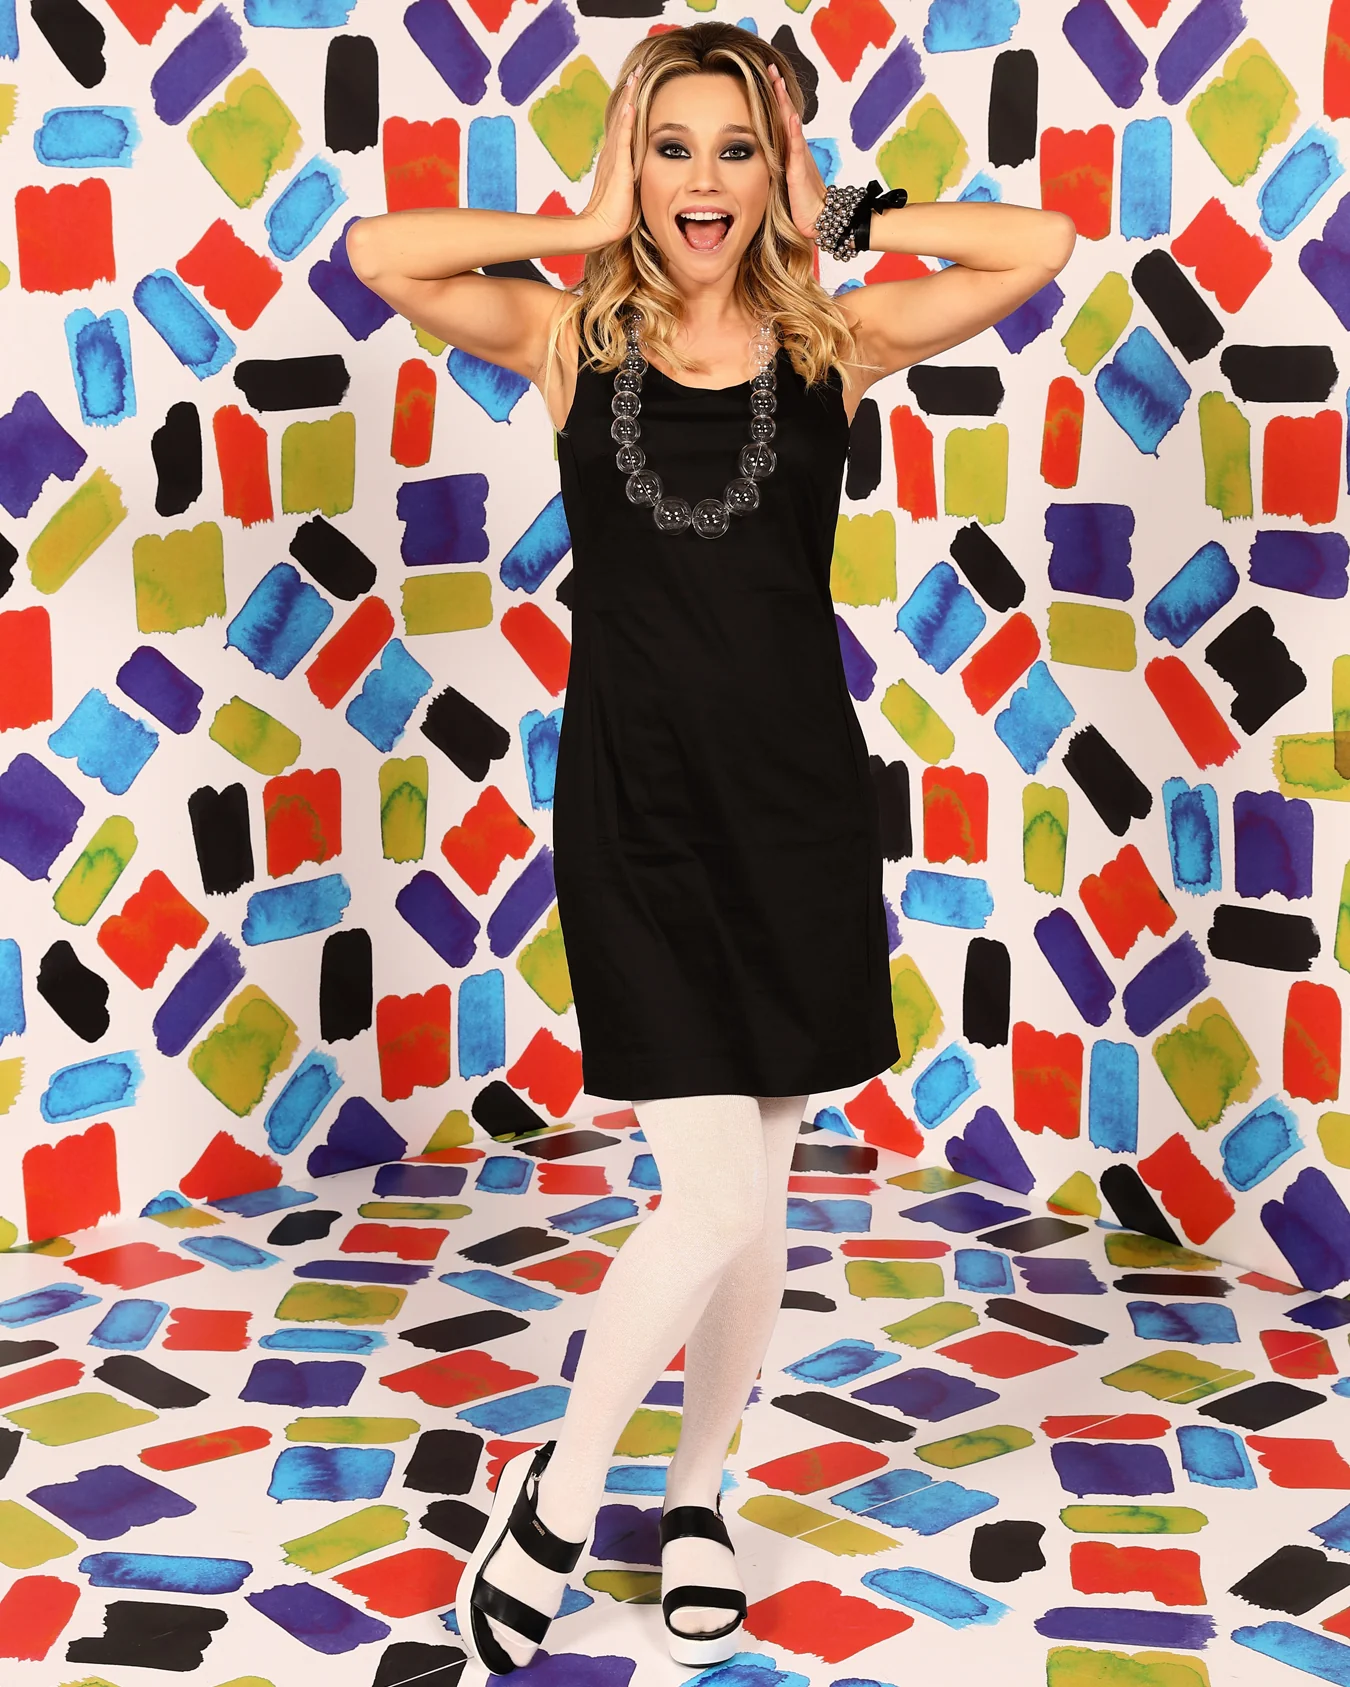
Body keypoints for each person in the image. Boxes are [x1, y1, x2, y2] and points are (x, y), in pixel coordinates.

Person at [345, 20, 1074, 1674]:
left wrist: (842, 216)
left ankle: (694, 1503)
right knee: (712, 1184)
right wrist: (581, 219)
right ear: (633, 161)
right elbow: (382, 252)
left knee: (759, 1190)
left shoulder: (834, 339)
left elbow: (1036, 245)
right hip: (637, 810)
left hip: (794, 809)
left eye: (735, 148)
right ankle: (556, 1496)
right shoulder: (566, 335)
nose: (702, 179)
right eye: (670, 145)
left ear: (774, 168)